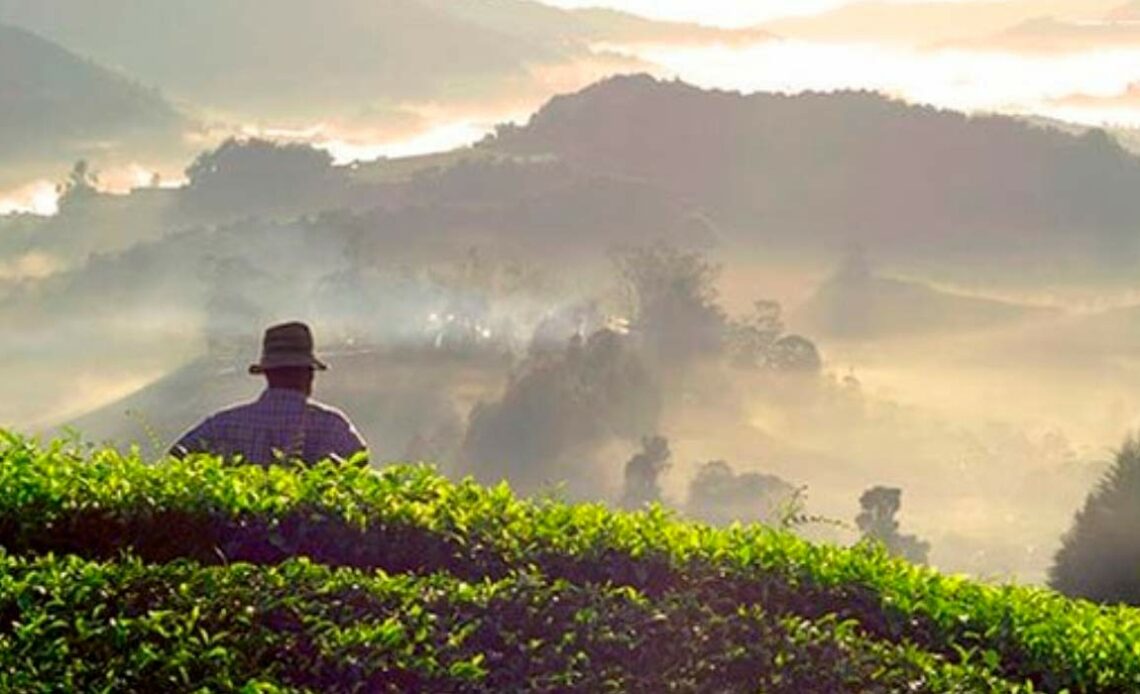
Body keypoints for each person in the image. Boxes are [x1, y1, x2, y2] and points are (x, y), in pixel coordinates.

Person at [171, 321, 367, 464]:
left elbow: (175, 459)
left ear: (267, 373)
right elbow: (361, 475)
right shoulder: (333, 426)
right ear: (308, 374)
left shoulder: (222, 424)